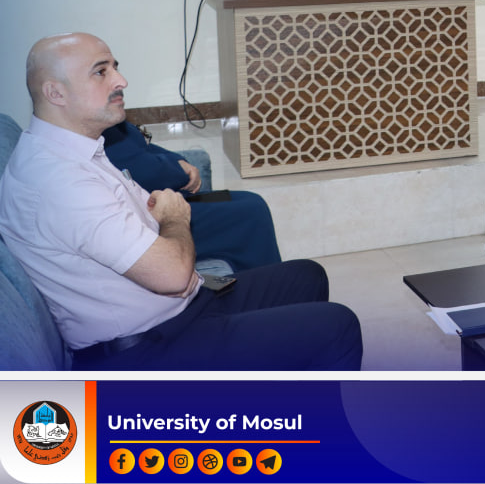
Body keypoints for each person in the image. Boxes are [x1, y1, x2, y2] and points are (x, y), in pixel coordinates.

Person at [0, 33, 362, 370]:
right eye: (101, 72)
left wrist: (168, 225)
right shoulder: (60, 181)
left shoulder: (73, 150)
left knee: (305, 276)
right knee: (337, 325)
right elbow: (172, 275)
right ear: (56, 93)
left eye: (115, 67)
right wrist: (175, 218)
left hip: (180, 309)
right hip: (146, 347)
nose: (121, 80)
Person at [102, 121, 282, 272]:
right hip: (149, 221)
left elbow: (144, 148)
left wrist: (178, 160)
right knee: (252, 212)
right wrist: (179, 169)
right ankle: (265, 288)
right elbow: (145, 171)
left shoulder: (107, 118)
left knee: (248, 200)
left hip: (162, 200)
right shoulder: (98, 126)